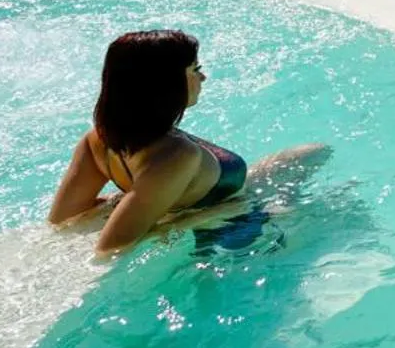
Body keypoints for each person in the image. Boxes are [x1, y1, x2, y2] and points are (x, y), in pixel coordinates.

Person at [47, 30, 324, 254]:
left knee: (312, 153)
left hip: (223, 198)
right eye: (195, 69)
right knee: (336, 221)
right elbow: (111, 247)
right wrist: (197, 218)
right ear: (165, 84)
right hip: (231, 226)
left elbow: (63, 218)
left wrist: (129, 199)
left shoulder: (99, 138)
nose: (203, 77)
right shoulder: (174, 155)